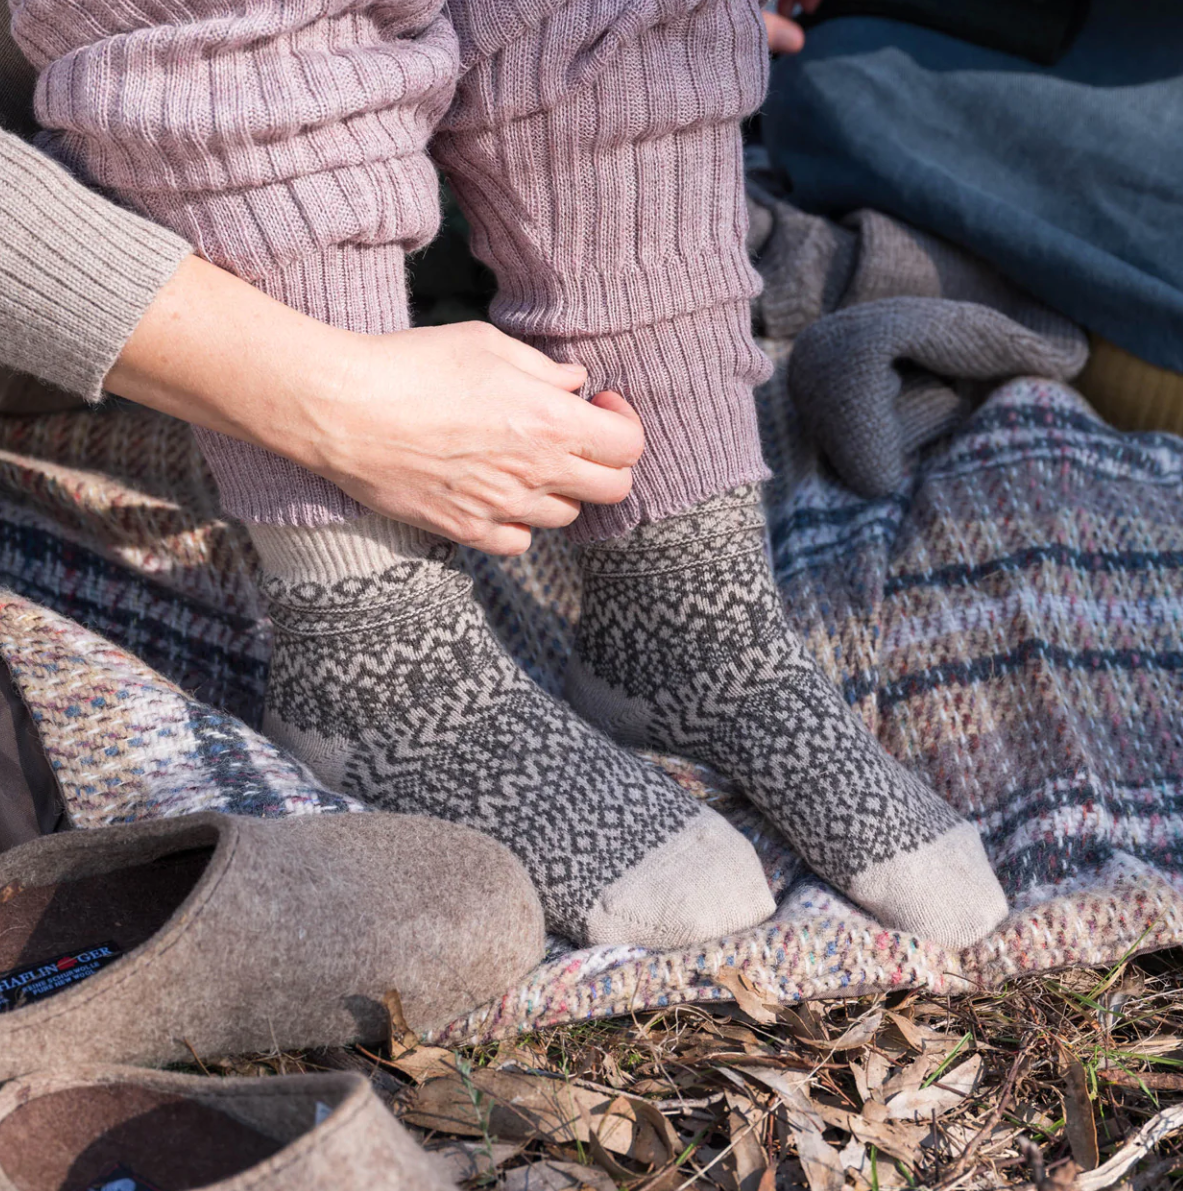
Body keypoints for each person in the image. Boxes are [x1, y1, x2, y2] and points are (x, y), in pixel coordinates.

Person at [5, 0, 1007, 950]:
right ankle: (375, 670)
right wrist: (329, 394)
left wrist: (691, 569)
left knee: (609, 29)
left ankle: (690, 624)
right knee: (236, 37)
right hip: (60, 275)